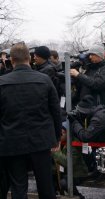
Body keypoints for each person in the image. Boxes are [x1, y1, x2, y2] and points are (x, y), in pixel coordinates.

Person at [0, 43, 62, 198]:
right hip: (40, 140)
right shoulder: (44, 80)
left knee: (18, 186)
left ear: (12, 60)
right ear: (29, 58)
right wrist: (56, 138)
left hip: (11, 141)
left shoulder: (2, 82)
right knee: (46, 185)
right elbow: (55, 111)